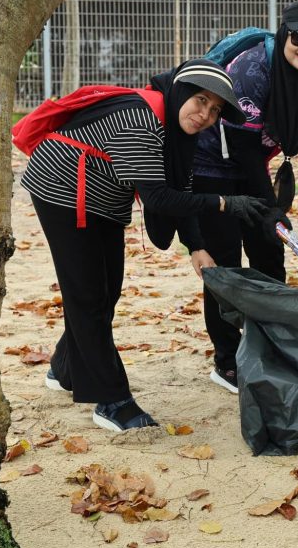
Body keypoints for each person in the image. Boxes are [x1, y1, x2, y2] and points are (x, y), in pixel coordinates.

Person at [21, 59, 269, 431]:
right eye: (201, 100)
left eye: (216, 110)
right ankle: (112, 401)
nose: (205, 115)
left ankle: (65, 368)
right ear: (182, 92)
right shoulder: (141, 120)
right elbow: (159, 198)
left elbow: (180, 188)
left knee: (108, 290)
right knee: (88, 295)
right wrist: (224, 203)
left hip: (103, 195)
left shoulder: (177, 129)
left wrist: (196, 246)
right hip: (62, 189)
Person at [192, 0, 298, 393]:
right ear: (285, 33)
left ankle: (269, 345)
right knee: (225, 264)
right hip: (208, 164)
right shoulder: (254, 67)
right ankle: (227, 360)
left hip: (250, 166)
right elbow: (242, 144)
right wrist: (270, 208)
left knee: (269, 253)